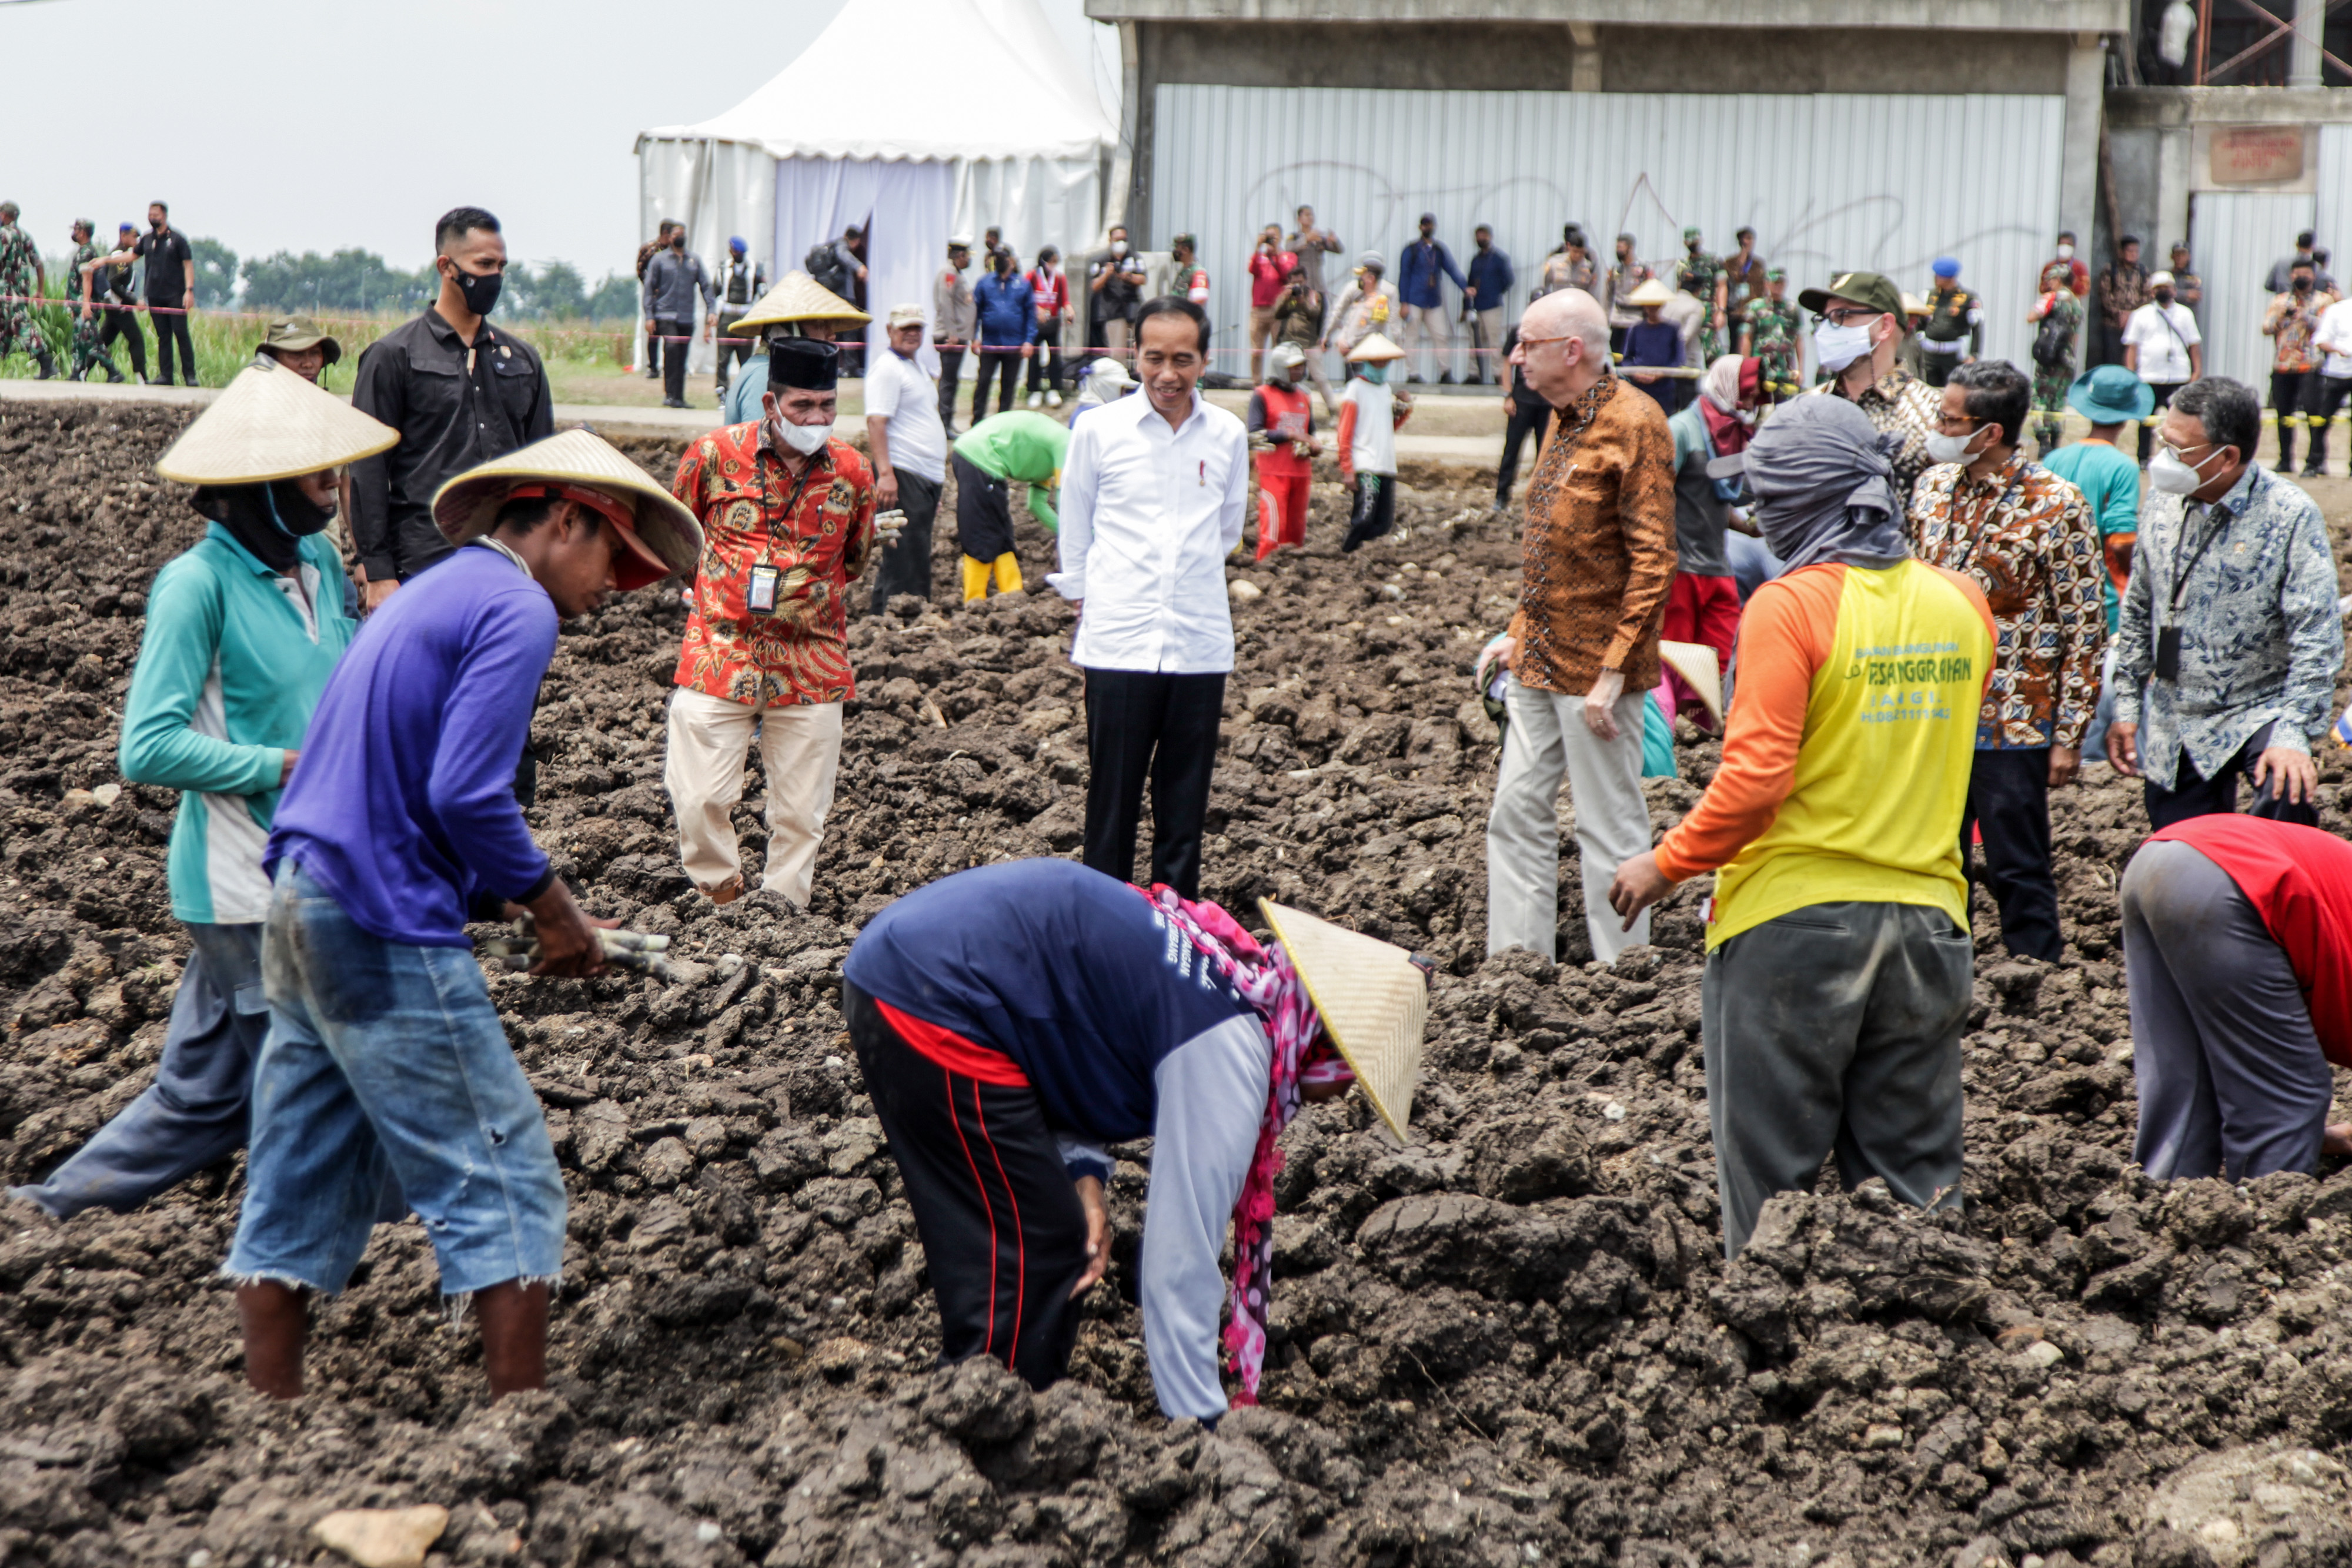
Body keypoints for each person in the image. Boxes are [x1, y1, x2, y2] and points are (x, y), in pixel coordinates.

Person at [227, 428, 697, 1402]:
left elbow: (390, 780)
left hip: (302, 899)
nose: (614, 588)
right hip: (379, 918)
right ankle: (515, 1430)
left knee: (296, 1174)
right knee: (509, 1174)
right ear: (565, 518)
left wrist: (506, 900)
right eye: (614, 557)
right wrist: (558, 912)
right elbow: (468, 795)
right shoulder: (518, 607)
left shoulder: (435, 591)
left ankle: (265, 1418)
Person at [1605, 394, 1996, 1259]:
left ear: (1804, 499)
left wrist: (1661, 864)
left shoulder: (1789, 606)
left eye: (1770, 494)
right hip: (1930, 928)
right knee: (1914, 1191)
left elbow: (1753, 787)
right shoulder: (1962, 603)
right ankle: (1913, 1361)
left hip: (1794, 932)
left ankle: (1769, 1362)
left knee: (1772, 1191)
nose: (1760, 513)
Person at [6, 361, 394, 1221]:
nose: (335, 486)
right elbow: (145, 747)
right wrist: (280, 765)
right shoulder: (197, 585)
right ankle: (412, 1239)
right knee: (351, 1083)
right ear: (259, 484)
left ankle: (39, 1209)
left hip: (319, 866)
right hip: (245, 885)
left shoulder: (323, 567)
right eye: (317, 471)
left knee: (202, 1097)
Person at [841, 859, 1425, 1418]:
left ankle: (1007, 1417)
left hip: (920, 963)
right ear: (1325, 1057)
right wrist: (1199, 1430)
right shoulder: (1233, 1050)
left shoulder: (1235, 978)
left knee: (1054, 1236)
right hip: (931, 994)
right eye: (1350, 1082)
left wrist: (1083, 1176)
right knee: (1030, 1259)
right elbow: (1180, 1263)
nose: (1345, 1098)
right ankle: (977, 1436)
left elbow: (1078, 1039)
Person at [1486, 287, 1675, 966]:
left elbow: (1653, 558)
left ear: (1572, 351)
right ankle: (1514, 962)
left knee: (1608, 821)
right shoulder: (1559, 419)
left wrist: (1612, 674)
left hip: (1596, 667)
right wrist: (1517, 627)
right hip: (1538, 656)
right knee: (1515, 811)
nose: (1516, 358)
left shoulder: (1635, 422)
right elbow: (1547, 543)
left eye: (1526, 346)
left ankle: (1623, 971)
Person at [667, 338, 876, 909]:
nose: (816, 419)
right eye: (803, 406)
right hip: (720, 652)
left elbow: (854, 559)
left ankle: (782, 910)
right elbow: (677, 532)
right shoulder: (712, 455)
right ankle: (721, 894)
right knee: (699, 795)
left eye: (827, 406)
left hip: (813, 661)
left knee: (802, 810)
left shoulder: (853, 472)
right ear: (769, 403)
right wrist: (710, 588)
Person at [1908, 360, 2105, 963]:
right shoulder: (1932, 488)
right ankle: (1943, 967)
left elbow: (2084, 624)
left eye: (1947, 418)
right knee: (1935, 856)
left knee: (2017, 858)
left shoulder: (2056, 504)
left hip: (2012, 718)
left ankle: (2038, 976)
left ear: (1990, 432)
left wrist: (2069, 735)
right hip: (1931, 711)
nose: (1935, 427)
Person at [1051, 297, 1247, 900]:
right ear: (1134, 356)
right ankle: (1105, 937)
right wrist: (1090, 603)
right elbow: (1075, 527)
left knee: (1184, 807)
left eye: (1183, 359)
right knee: (1111, 803)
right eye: (1155, 357)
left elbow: (1226, 532)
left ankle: (1175, 935)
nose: (1168, 373)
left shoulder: (1228, 435)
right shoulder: (1099, 431)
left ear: (1204, 361)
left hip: (1197, 645)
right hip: (1120, 642)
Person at [2109, 377, 2341, 828]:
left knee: (2285, 792)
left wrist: (2294, 732)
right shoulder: (2160, 500)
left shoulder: (2288, 513)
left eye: (2179, 449)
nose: (2164, 459)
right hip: (2176, 708)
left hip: (2258, 703)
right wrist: (2126, 705)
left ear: (2227, 457)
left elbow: (2318, 635)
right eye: (2164, 442)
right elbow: (2138, 607)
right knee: (2181, 857)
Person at [2119, 817, 2352, 1182]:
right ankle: (2269, 1225)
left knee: (2186, 1085)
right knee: (2288, 1100)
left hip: (2163, 858)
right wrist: (2295, 1133)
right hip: (2243, 882)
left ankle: (2159, 1211)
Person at [349, 207, 554, 606]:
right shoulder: (393, 356)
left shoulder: (523, 362)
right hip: (423, 563)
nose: (495, 276)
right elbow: (368, 471)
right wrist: (378, 570)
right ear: (447, 265)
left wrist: (543, 569)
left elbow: (544, 469)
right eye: (484, 264)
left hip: (507, 565)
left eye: (501, 266)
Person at [2043, 365, 2152, 763]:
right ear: (2128, 417)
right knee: (2102, 678)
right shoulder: (2122, 467)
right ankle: (2091, 753)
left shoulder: (2055, 457)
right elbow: (2121, 538)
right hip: (2102, 593)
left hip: (2053, 590)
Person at [1662, 356, 1761, 730]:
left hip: (1718, 565)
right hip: (1682, 567)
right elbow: (1656, 492)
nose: (1751, 405)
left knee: (1718, 659)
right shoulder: (1683, 430)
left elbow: (1717, 500)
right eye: (1747, 396)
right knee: (1677, 658)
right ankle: (1671, 733)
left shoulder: (1730, 436)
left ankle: (1702, 733)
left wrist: (1748, 528)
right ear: (1728, 389)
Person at [1801, 269, 1943, 508]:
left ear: (1884, 326)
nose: (1826, 330)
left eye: (1842, 316)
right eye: (1824, 319)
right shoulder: (1807, 408)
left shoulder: (1934, 413)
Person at [866, 304, 950, 611]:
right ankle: (907, 619)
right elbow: (876, 421)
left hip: (922, 476)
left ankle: (882, 615)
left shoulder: (914, 366)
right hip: (903, 472)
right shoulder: (887, 368)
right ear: (890, 331)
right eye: (905, 328)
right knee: (908, 552)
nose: (913, 334)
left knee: (907, 551)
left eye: (918, 328)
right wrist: (886, 474)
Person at [716, 272, 871, 428]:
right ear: (789, 331)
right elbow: (757, 444)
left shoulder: (772, 370)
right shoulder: (764, 375)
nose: (832, 335)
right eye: (820, 325)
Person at [953, 410, 1065, 601]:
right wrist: (1081, 536)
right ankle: (973, 603)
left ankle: (1013, 596)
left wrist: (1065, 532)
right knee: (980, 533)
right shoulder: (1068, 446)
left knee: (1002, 533)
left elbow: (1036, 504)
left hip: (988, 463)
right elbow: (1067, 501)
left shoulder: (1051, 454)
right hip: (980, 457)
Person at [1337, 333, 1411, 553]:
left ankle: (1360, 554)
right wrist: (1347, 468)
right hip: (1366, 463)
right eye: (1377, 361)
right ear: (1368, 363)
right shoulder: (1355, 389)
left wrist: (1405, 411)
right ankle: (1347, 551)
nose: (1381, 366)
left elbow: (1387, 428)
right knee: (1364, 517)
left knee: (1384, 523)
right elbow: (1345, 432)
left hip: (1386, 464)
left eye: (1384, 362)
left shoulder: (1385, 390)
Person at [2123, 271, 2204, 464]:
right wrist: (2130, 373)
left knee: (2180, 421)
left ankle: (2177, 457)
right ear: (2152, 292)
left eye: (2167, 288)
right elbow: (2132, 346)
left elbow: (2194, 344)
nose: (2163, 292)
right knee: (2145, 421)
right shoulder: (2141, 315)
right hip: (2149, 376)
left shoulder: (2185, 314)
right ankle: (2143, 457)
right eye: (2159, 288)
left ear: (2174, 290)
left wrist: (2196, 371)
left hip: (2178, 376)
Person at [1249, 342, 1319, 559]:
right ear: (1280, 368)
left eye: (1301, 366)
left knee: (1296, 530)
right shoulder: (1263, 395)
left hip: (1300, 472)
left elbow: (1310, 433)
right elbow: (1255, 432)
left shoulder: (1304, 397)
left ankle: (1292, 572)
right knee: (1273, 529)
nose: (1298, 371)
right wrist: (1290, 435)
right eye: (1293, 367)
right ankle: (1266, 566)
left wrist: (1313, 447)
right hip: (1274, 472)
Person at [2264, 258, 2331, 475]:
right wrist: (2282, 316)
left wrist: (2306, 317)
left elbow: (2328, 328)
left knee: (2314, 414)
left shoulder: (2323, 301)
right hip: (2283, 365)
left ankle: (2315, 462)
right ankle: (2285, 460)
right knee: (2283, 415)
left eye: (2305, 274)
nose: (2300, 278)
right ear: (2291, 276)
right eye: (2296, 274)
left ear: (2313, 277)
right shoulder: (2281, 301)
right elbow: (2266, 328)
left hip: (2310, 365)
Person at [644, 225, 716, 409]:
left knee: (682, 356)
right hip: (665, 314)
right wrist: (649, 316)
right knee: (672, 349)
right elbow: (649, 288)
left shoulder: (694, 260)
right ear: (669, 238)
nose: (680, 237)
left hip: (686, 317)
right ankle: (669, 394)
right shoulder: (659, 260)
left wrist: (712, 310)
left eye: (682, 234)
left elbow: (706, 286)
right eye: (676, 234)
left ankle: (679, 397)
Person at [1396, 214, 1467, 384]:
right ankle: (1412, 374)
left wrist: (1465, 287)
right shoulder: (1411, 250)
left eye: (1430, 225)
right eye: (1425, 225)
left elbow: (1452, 269)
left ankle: (1446, 372)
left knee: (1441, 335)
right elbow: (1404, 276)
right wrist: (1403, 302)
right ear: (1420, 227)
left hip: (1433, 300)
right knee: (1412, 337)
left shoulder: (1439, 250)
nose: (1428, 228)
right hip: (1414, 299)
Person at [971, 247, 1038, 425]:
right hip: (990, 344)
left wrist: (1029, 341)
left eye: (1004, 258)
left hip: (1014, 345)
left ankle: (1003, 423)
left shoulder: (1022, 284)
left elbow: (1031, 315)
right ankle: (977, 421)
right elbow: (975, 313)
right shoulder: (984, 283)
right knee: (983, 382)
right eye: (998, 258)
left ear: (1012, 261)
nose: (1001, 262)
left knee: (1008, 385)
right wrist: (975, 337)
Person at [2027, 260, 2086, 451]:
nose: (2048, 283)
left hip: (2049, 359)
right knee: (2059, 401)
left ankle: (2043, 442)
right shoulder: (2077, 303)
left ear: (2058, 279)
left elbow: (2031, 317)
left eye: (2050, 279)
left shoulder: (2051, 298)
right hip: (2067, 359)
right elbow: (2075, 335)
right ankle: (2056, 442)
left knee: (2040, 398)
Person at [136, 202, 197, 387]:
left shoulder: (178, 239)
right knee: (163, 336)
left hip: (175, 295)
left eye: (156, 215)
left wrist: (189, 291)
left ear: (164, 216)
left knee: (181, 334)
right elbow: (132, 256)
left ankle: (190, 376)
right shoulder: (146, 239)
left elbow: (188, 265)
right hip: (154, 295)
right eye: (150, 214)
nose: (152, 218)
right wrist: (105, 261)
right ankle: (166, 376)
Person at [79, 223, 146, 384]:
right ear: (123, 236)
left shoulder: (121, 256)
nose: (136, 240)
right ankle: (142, 378)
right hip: (119, 307)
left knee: (103, 341)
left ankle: (83, 372)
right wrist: (134, 301)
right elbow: (114, 283)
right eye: (134, 236)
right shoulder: (119, 257)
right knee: (136, 340)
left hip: (115, 307)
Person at [1495, 317, 1548, 512]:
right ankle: (1501, 497)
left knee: (1545, 454)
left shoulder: (1555, 333)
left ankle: (1543, 499)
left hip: (1547, 402)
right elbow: (1507, 363)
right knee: (1512, 450)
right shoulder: (1518, 331)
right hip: (1521, 400)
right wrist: (1508, 395)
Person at [1271, 259, 1337, 417]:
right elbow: (1277, 313)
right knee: (1285, 378)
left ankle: (1333, 410)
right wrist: (1286, 297)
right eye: (1294, 283)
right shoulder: (1287, 294)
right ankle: (1286, 409)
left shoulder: (1313, 295)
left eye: (1300, 282)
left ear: (1305, 280)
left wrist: (1302, 301)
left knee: (1320, 378)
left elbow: (1314, 314)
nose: (1297, 286)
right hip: (1290, 344)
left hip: (1309, 344)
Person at [0, 202, 55, 380]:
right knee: (4, 329)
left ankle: (46, 363)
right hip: (21, 290)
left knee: (21, 325)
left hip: (7, 290)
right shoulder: (26, 236)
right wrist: (40, 290)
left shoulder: (4, 235)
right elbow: (38, 264)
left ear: (4, 215)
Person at [2303, 278, 2352, 477]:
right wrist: (2338, 350)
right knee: (2322, 421)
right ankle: (2314, 463)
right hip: (2336, 373)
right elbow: (2321, 340)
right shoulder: (2337, 310)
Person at [61, 219, 116, 384]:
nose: (74, 233)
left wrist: (86, 303)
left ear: (83, 232)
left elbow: (87, 278)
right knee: (79, 340)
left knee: (89, 339)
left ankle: (113, 370)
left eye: (76, 230)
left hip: (87, 304)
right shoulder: (82, 251)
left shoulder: (87, 253)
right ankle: (76, 372)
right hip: (78, 304)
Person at [1618, 278, 1687, 412]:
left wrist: (1662, 373)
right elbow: (1627, 359)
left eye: (1656, 305)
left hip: (1664, 389)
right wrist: (1636, 373)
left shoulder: (1672, 329)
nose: (1652, 309)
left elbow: (1678, 359)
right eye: (1649, 305)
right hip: (1639, 388)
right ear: (1644, 306)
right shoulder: (1635, 329)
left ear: (1662, 305)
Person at [712, 237, 767, 400]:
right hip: (727, 314)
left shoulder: (755, 268)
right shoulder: (723, 268)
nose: (735, 254)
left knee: (746, 358)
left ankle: (746, 390)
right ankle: (722, 391)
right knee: (723, 358)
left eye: (738, 252)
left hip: (746, 316)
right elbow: (715, 292)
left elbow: (764, 292)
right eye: (733, 251)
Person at [1737, 268, 1803, 402]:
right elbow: (1746, 338)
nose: (1778, 287)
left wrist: (1800, 369)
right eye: (1775, 283)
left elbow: (1798, 340)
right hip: (1762, 370)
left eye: (1781, 283)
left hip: (1785, 370)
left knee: (1785, 412)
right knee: (1758, 410)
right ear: (1767, 284)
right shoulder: (1755, 307)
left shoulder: (1792, 310)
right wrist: (1748, 369)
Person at [1917, 258, 1982, 389]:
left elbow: (1977, 327)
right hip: (1929, 354)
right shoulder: (1928, 295)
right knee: (1928, 389)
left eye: (1940, 276)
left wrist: (1974, 355)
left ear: (1950, 278)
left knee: (1952, 388)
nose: (1936, 279)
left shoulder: (1969, 298)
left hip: (1953, 355)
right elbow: (1919, 323)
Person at [935, 236, 978, 433]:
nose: (969, 260)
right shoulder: (949, 273)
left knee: (952, 381)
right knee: (949, 382)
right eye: (968, 256)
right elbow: (945, 303)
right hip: (950, 335)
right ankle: (944, 424)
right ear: (961, 255)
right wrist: (952, 333)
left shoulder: (956, 273)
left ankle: (947, 422)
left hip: (959, 335)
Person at [1324, 252, 1400, 360]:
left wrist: (1398, 344)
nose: (1360, 280)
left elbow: (1380, 324)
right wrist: (1338, 338)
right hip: (1353, 351)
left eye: (1362, 276)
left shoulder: (1385, 295)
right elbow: (1343, 315)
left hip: (1370, 350)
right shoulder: (1356, 290)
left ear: (1371, 278)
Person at [1464, 224, 1515, 386]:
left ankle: (1498, 374)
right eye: (1478, 236)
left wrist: (1495, 292)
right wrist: (1465, 307)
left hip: (1492, 306)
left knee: (1494, 342)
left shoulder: (1499, 258)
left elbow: (1509, 280)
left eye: (1483, 236)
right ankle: (1474, 374)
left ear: (1490, 237)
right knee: (1474, 342)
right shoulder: (1475, 260)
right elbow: (1469, 284)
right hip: (1476, 306)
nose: (1481, 239)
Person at [1088, 226, 1148, 360]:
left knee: (1141, 345)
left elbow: (1143, 279)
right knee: (1117, 351)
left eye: (1124, 239)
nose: (1121, 243)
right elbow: (1093, 286)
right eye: (1118, 239)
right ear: (1111, 241)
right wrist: (1106, 275)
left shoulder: (1134, 258)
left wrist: (1127, 277)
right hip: (1113, 310)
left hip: (1133, 306)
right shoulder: (1101, 260)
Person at [1026, 246, 1072, 407]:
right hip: (1035, 324)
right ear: (1043, 261)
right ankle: (1034, 390)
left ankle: (1054, 389)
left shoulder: (1059, 278)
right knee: (1034, 357)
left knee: (1055, 357)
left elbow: (1064, 299)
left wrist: (1069, 310)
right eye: (1051, 262)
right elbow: (1026, 298)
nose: (1053, 265)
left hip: (1053, 323)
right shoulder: (1032, 276)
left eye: (1056, 262)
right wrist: (1036, 309)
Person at [2095, 235, 2149, 370]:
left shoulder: (2143, 272)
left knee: (2133, 361)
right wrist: (2119, 314)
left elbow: (2148, 296)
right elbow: (2104, 294)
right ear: (2122, 252)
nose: (2133, 254)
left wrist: (2133, 315)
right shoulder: (2110, 270)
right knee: (2112, 360)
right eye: (2130, 251)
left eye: (2136, 251)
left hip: (2136, 323)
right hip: (2113, 324)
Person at [1672, 227, 1725, 362]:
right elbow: (1679, 288)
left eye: (1696, 241)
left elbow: (1721, 286)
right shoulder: (1683, 264)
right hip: (1688, 310)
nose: (1693, 245)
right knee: (1684, 345)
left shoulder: (1713, 261)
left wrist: (1721, 311)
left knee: (1712, 351)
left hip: (1708, 309)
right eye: (1690, 242)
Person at [637, 220, 677, 377]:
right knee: (653, 332)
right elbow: (640, 270)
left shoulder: (675, 251)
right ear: (665, 234)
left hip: (671, 298)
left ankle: (672, 366)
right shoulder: (649, 249)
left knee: (672, 333)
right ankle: (653, 366)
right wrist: (653, 286)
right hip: (654, 298)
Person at [1604, 233, 1654, 357]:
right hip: (1618, 317)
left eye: (1621, 247)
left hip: (1636, 317)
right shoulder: (1615, 269)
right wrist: (1605, 316)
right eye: (1617, 247)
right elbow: (1608, 294)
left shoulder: (1644, 267)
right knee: (1616, 353)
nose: (1618, 251)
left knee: (1632, 353)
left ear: (1630, 248)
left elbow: (1651, 291)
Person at [1720, 228, 1767, 352]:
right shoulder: (1730, 262)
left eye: (1751, 239)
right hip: (1736, 311)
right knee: (1735, 344)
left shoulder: (1758, 264)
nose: (1749, 242)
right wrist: (1743, 256)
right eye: (1746, 239)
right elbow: (1735, 277)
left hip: (1753, 308)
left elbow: (1763, 285)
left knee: (1753, 343)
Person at [253, 317, 340, 385]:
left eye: (314, 353)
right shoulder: (258, 403)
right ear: (273, 359)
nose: (308, 364)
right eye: (296, 354)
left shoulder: (326, 405)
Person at [1285, 205, 1344, 301]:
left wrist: (1335, 241)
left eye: (1312, 215)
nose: (1310, 218)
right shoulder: (1295, 237)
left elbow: (1339, 250)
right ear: (1299, 219)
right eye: (1307, 215)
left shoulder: (1319, 237)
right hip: (1302, 282)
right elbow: (1288, 249)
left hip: (1318, 282)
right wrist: (1306, 239)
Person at [1538, 226, 1598, 298]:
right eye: (1575, 251)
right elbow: (1543, 285)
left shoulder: (1589, 268)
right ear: (1569, 247)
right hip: (1557, 303)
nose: (1578, 255)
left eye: (1581, 252)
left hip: (1578, 305)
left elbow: (1592, 292)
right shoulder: (1554, 263)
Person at [2266, 230, 2320, 296]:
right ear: (2313, 247)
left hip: (2283, 303)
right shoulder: (2315, 267)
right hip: (2306, 303)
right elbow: (2319, 287)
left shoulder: (2281, 263)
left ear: (2297, 244)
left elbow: (2269, 286)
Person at [2045, 230, 2089, 299]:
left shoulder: (2080, 267)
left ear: (2074, 247)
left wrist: (2071, 281)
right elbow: (2042, 288)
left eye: (2068, 244)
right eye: (2062, 244)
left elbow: (2085, 289)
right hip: (2052, 302)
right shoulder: (2050, 266)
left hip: (2071, 303)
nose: (2065, 247)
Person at [2167, 242, 2203, 323]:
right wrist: (2186, 294)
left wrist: (2175, 294)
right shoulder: (2166, 275)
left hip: (2186, 321)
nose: (2180, 258)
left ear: (2189, 257)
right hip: (2168, 318)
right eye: (2177, 255)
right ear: (2172, 256)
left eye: (2183, 255)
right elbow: (2164, 294)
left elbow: (2196, 295)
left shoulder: (2193, 277)